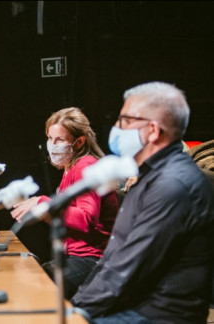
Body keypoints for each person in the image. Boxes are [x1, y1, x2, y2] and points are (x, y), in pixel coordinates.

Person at [71, 82, 214, 323]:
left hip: (157, 315)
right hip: (133, 307)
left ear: (153, 131)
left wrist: (77, 312)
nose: (116, 128)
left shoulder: (173, 184)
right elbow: (115, 256)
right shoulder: (148, 176)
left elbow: (128, 266)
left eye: (125, 121)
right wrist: (77, 305)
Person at [10, 107, 118, 299]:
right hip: (76, 255)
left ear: (80, 142)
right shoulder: (70, 169)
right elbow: (68, 218)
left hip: (93, 260)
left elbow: (86, 219)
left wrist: (43, 202)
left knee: (37, 285)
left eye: (59, 140)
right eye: (50, 138)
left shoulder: (85, 166)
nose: (52, 145)